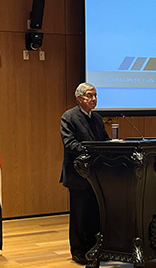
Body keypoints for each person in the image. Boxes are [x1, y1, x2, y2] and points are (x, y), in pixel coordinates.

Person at [60, 82, 110, 264]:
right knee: (80, 215)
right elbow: (70, 144)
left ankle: (95, 248)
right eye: (90, 95)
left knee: (95, 213)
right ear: (79, 98)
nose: (94, 99)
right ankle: (79, 252)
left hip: (97, 175)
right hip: (78, 175)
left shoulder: (97, 118)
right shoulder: (69, 117)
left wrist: (112, 145)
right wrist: (94, 151)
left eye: (95, 95)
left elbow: (104, 140)